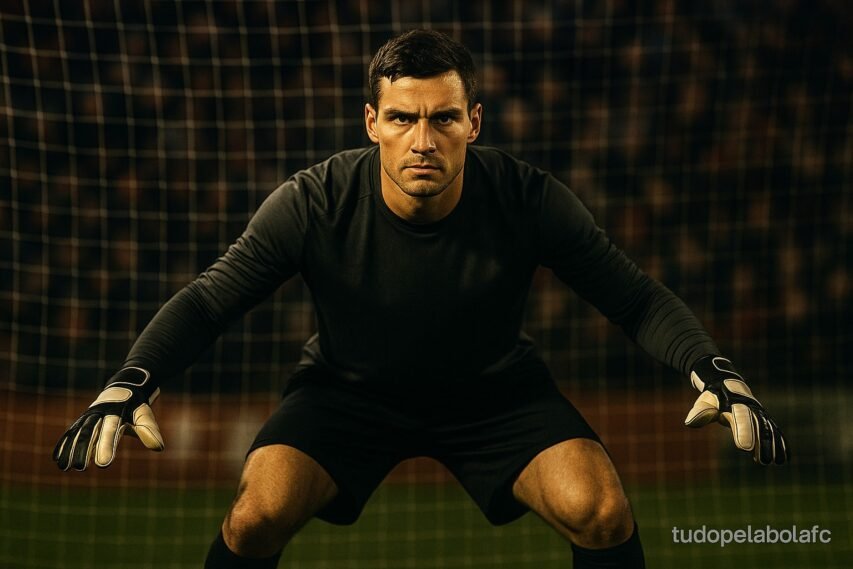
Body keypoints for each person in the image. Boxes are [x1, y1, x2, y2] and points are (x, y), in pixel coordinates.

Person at [52, 29, 788, 569]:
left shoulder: (528, 198)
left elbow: (634, 298)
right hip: (346, 393)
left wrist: (713, 369)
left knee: (601, 510)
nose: (423, 139)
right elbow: (211, 300)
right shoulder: (313, 201)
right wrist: (131, 379)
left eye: (443, 117)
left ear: (474, 122)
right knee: (254, 517)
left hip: (495, 394)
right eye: (403, 118)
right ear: (372, 123)